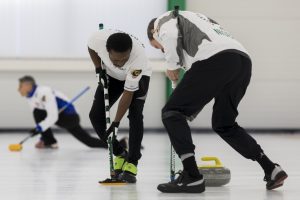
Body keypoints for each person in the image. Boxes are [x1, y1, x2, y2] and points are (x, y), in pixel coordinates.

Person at [147, 8, 288, 193]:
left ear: (153, 33)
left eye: (157, 46)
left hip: (216, 59)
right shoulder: (198, 19)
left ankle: (192, 177)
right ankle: (271, 168)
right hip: (241, 61)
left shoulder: (163, 20)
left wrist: (171, 65)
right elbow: (199, 77)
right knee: (224, 124)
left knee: (171, 113)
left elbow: (171, 37)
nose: (163, 49)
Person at [88, 29, 151, 183]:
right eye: (116, 60)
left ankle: (132, 162)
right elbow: (90, 48)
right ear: (107, 50)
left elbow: (128, 93)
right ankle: (120, 153)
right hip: (110, 76)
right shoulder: (98, 39)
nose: (120, 63)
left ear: (130, 51)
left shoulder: (138, 59)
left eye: (124, 59)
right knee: (95, 116)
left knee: (135, 115)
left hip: (139, 77)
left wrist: (116, 122)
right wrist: (98, 68)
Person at [18, 75, 114, 149]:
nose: (18, 89)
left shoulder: (43, 92)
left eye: (20, 86)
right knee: (89, 141)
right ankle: (115, 145)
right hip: (61, 117)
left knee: (37, 112)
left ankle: (50, 141)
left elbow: (52, 117)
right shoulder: (30, 97)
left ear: (28, 85)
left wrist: (39, 128)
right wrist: (42, 134)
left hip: (69, 117)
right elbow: (44, 119)